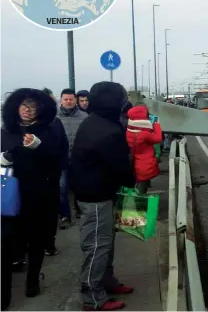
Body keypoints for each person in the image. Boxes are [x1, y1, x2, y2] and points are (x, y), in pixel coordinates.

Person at [69, 81, 136, 311]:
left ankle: (107, 281)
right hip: (95, 196)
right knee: (97, 245)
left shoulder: (96, 121)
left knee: (105, 243)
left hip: (99, 191)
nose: (123, 102)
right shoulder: (106, 129)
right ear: (112, 101)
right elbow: (119, 165)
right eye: (120, 98)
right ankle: (92, 298)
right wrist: (131, 180)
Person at [1, 88, 68, 309]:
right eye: (22, 105)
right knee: (8, 242)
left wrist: (38, 148)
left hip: (40, 193)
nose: (27, 110)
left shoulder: (51, 128)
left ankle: (32, 281)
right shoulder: (7, 130)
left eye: (32, 106)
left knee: (37, 238)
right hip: (10, 194)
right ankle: (5, 291)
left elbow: (59, 160)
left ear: (41, 108)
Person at [55, 88, 88, 233]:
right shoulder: (53, 117)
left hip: (79, 159)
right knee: (61, 189)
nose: (68, 102)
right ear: (61, 100)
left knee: (79, 187)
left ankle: (80, 211)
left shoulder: (84, 116)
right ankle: (65, 216)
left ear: (75, 100)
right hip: (60, 160)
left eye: (71, 99)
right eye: (65, 99)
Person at [126, 104, 163, 194]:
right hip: (145, 164)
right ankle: (140, 206)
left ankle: (137, 204)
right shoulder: (144, 134)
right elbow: (158, 138)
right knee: (141, 190)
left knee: (137, 186)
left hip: (135, 162)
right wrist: (156, 124)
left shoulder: (129, 131)